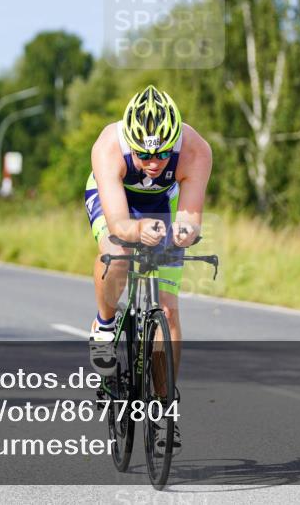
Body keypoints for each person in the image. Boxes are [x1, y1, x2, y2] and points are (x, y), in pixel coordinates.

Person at [83, 85, 212, 456]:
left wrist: (183, 234)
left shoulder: (195, 150)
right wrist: (137, 230)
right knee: (116, 251)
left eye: (161, 154)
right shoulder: (109, 146)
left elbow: (189, 219)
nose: (153, 162)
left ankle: (162, 406)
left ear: (176, 140)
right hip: (117, 203)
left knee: (168, 309)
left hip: (164, 203)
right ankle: (104, 325)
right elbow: (120, 223)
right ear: (129, 142)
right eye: (143, 154)